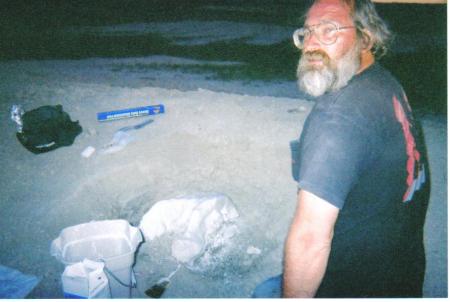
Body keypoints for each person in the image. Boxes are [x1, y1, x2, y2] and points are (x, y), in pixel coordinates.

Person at [252, 0, 429, 298]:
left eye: (329, 30)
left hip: (350, 287)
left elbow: (310, 239)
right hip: (402, 277)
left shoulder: (338, 119)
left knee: (264, 292)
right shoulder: (385, 83)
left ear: (366, 38)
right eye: (307, 33)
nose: (312, 44)